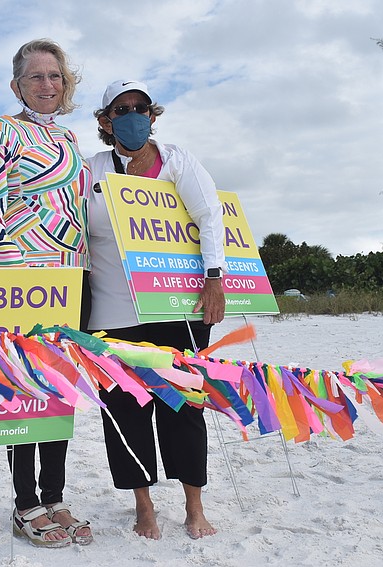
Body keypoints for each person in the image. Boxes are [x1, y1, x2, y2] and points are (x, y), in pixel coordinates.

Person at [86, 80, 226, 540]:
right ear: (106, 121)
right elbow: (66, 226)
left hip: (176, 305)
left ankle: (193, 507)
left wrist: (214, 279)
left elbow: (210, 217)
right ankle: (143, 507)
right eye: (121, 109)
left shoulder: (177, 161)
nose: (132, 115)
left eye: (140, 108)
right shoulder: (90, 171)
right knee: (124, 411)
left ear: (153, 114)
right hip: (112, 311)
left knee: (184, 407)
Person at [0, 38, 92, 548]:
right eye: (36, 76)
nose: (47, 85)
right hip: (23, 282)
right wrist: (36, 233)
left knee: (61, 391)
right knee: (23, 390)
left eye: (55, 76)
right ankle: (25, 502)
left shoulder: (69, 140)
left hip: (74, 279)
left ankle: (55, 495)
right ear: (17, 85)